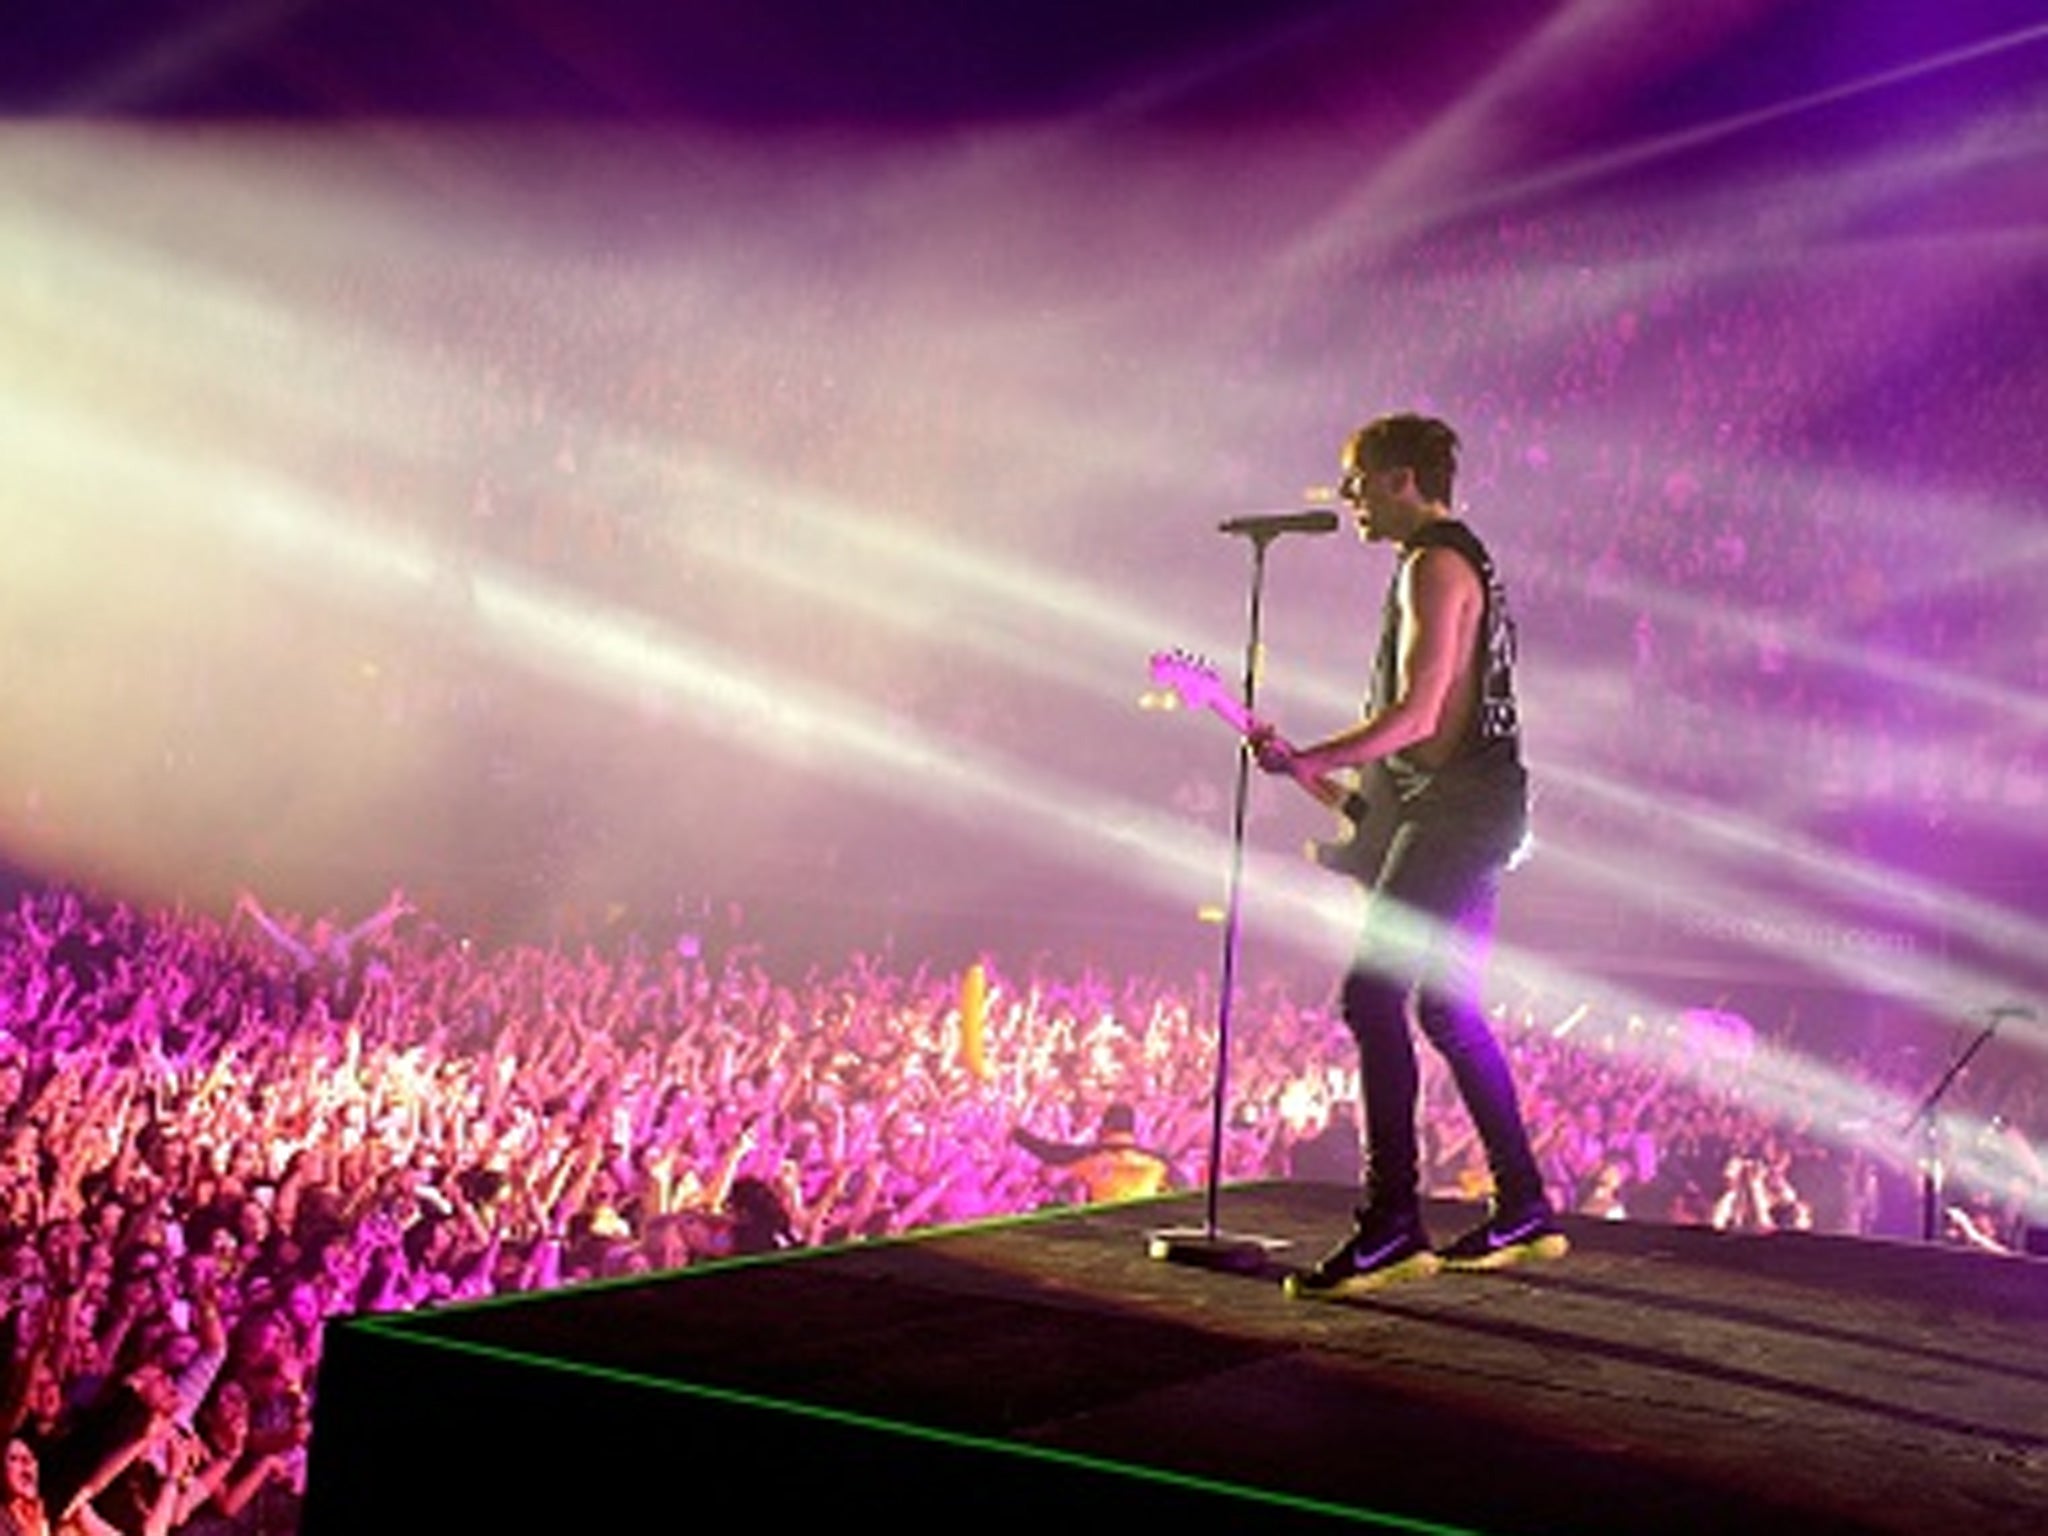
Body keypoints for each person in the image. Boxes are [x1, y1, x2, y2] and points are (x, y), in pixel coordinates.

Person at [1250, 411, 1565, 1298]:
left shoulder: (1433, 564)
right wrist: (1310, 771)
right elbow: (1410, 758)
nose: (1347, 497)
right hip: (1465, 806)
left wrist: (1315, 752)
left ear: (1400, 478)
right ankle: (1524, 1205)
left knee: (1371, 994)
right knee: (1447, 1010)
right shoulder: (1450, 561)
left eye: (1357, 479)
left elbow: (1420, 719)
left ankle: (1391, 1224)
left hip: (1461, 813)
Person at [1011, 1103, 1172, 1205]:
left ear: (1106, 1128)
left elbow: (1049, 1152)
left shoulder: (1090, 1158)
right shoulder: (1158, 1163)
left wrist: (1016, 1133)